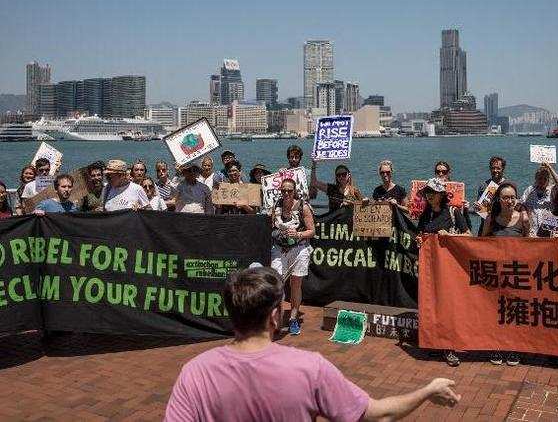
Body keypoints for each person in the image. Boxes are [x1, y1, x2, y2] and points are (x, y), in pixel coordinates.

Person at [164, 267, 460, 421]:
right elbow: (377, 414)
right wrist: (426, 390)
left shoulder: (195, 373)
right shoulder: (309, 368)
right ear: (275, 316)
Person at [415, 177, 470, 368]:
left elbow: (469, 236)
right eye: (427, 192)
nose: (429, 196)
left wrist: (450, 236)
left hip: (451, 270)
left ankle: (450, 347)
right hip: (431, 269)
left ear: (441, 194)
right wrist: (419, 241)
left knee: (449, 307)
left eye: (432, 192)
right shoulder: (426, 214)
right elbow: (420, 234)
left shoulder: (454, 212)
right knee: (432, 305)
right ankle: (435, 342)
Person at [481, 181, 529, 367]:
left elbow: (530, 244)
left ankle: (514, 347)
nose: (509, 201)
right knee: (496, 311)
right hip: (495, 273)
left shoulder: (523, 219)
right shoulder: (490, 219)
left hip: (516, 273)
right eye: (505, 197)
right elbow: (481, 242)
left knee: (514, 311)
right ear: (499, 200)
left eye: (512, 197)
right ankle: (496, 345)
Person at [271, 178, 315, 336]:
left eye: (289, 190)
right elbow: (271, 224)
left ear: (294, 191)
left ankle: (293, 318)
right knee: (276, 283)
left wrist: (298, 234)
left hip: (299, 248)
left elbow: (312, 230)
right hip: (279, 249)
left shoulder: (303, 207)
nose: (286, 193)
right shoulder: (276, 206)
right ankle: (277, 317)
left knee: (295, 284)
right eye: (283, 190)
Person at [520, 162, 558, 237]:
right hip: (532, 231)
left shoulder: (552, 190)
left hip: (549, 231)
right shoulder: (529, 190)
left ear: (548, 179)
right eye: (540, 178)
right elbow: (521, 203)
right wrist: (524, 214)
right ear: (536, 178)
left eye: (545, 179)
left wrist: (550, 167)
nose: (542, 181)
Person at [433, 160, 472, 232]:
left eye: (444, 172)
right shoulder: (429, 191)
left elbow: (468, 226)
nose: (440, 174)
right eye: (438, 172)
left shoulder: (456, 192)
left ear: (448, 173)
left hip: (451, 230)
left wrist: (465, 210)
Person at [475, 156, 508, 234]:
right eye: (493, 168)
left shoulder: (508, 186)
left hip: (503, 228)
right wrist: (477, 208)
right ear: (490, 169)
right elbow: (480, 210)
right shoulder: (484, 186)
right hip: (485, 226)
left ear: (503, 169)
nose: (495, 170)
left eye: (498, 168)